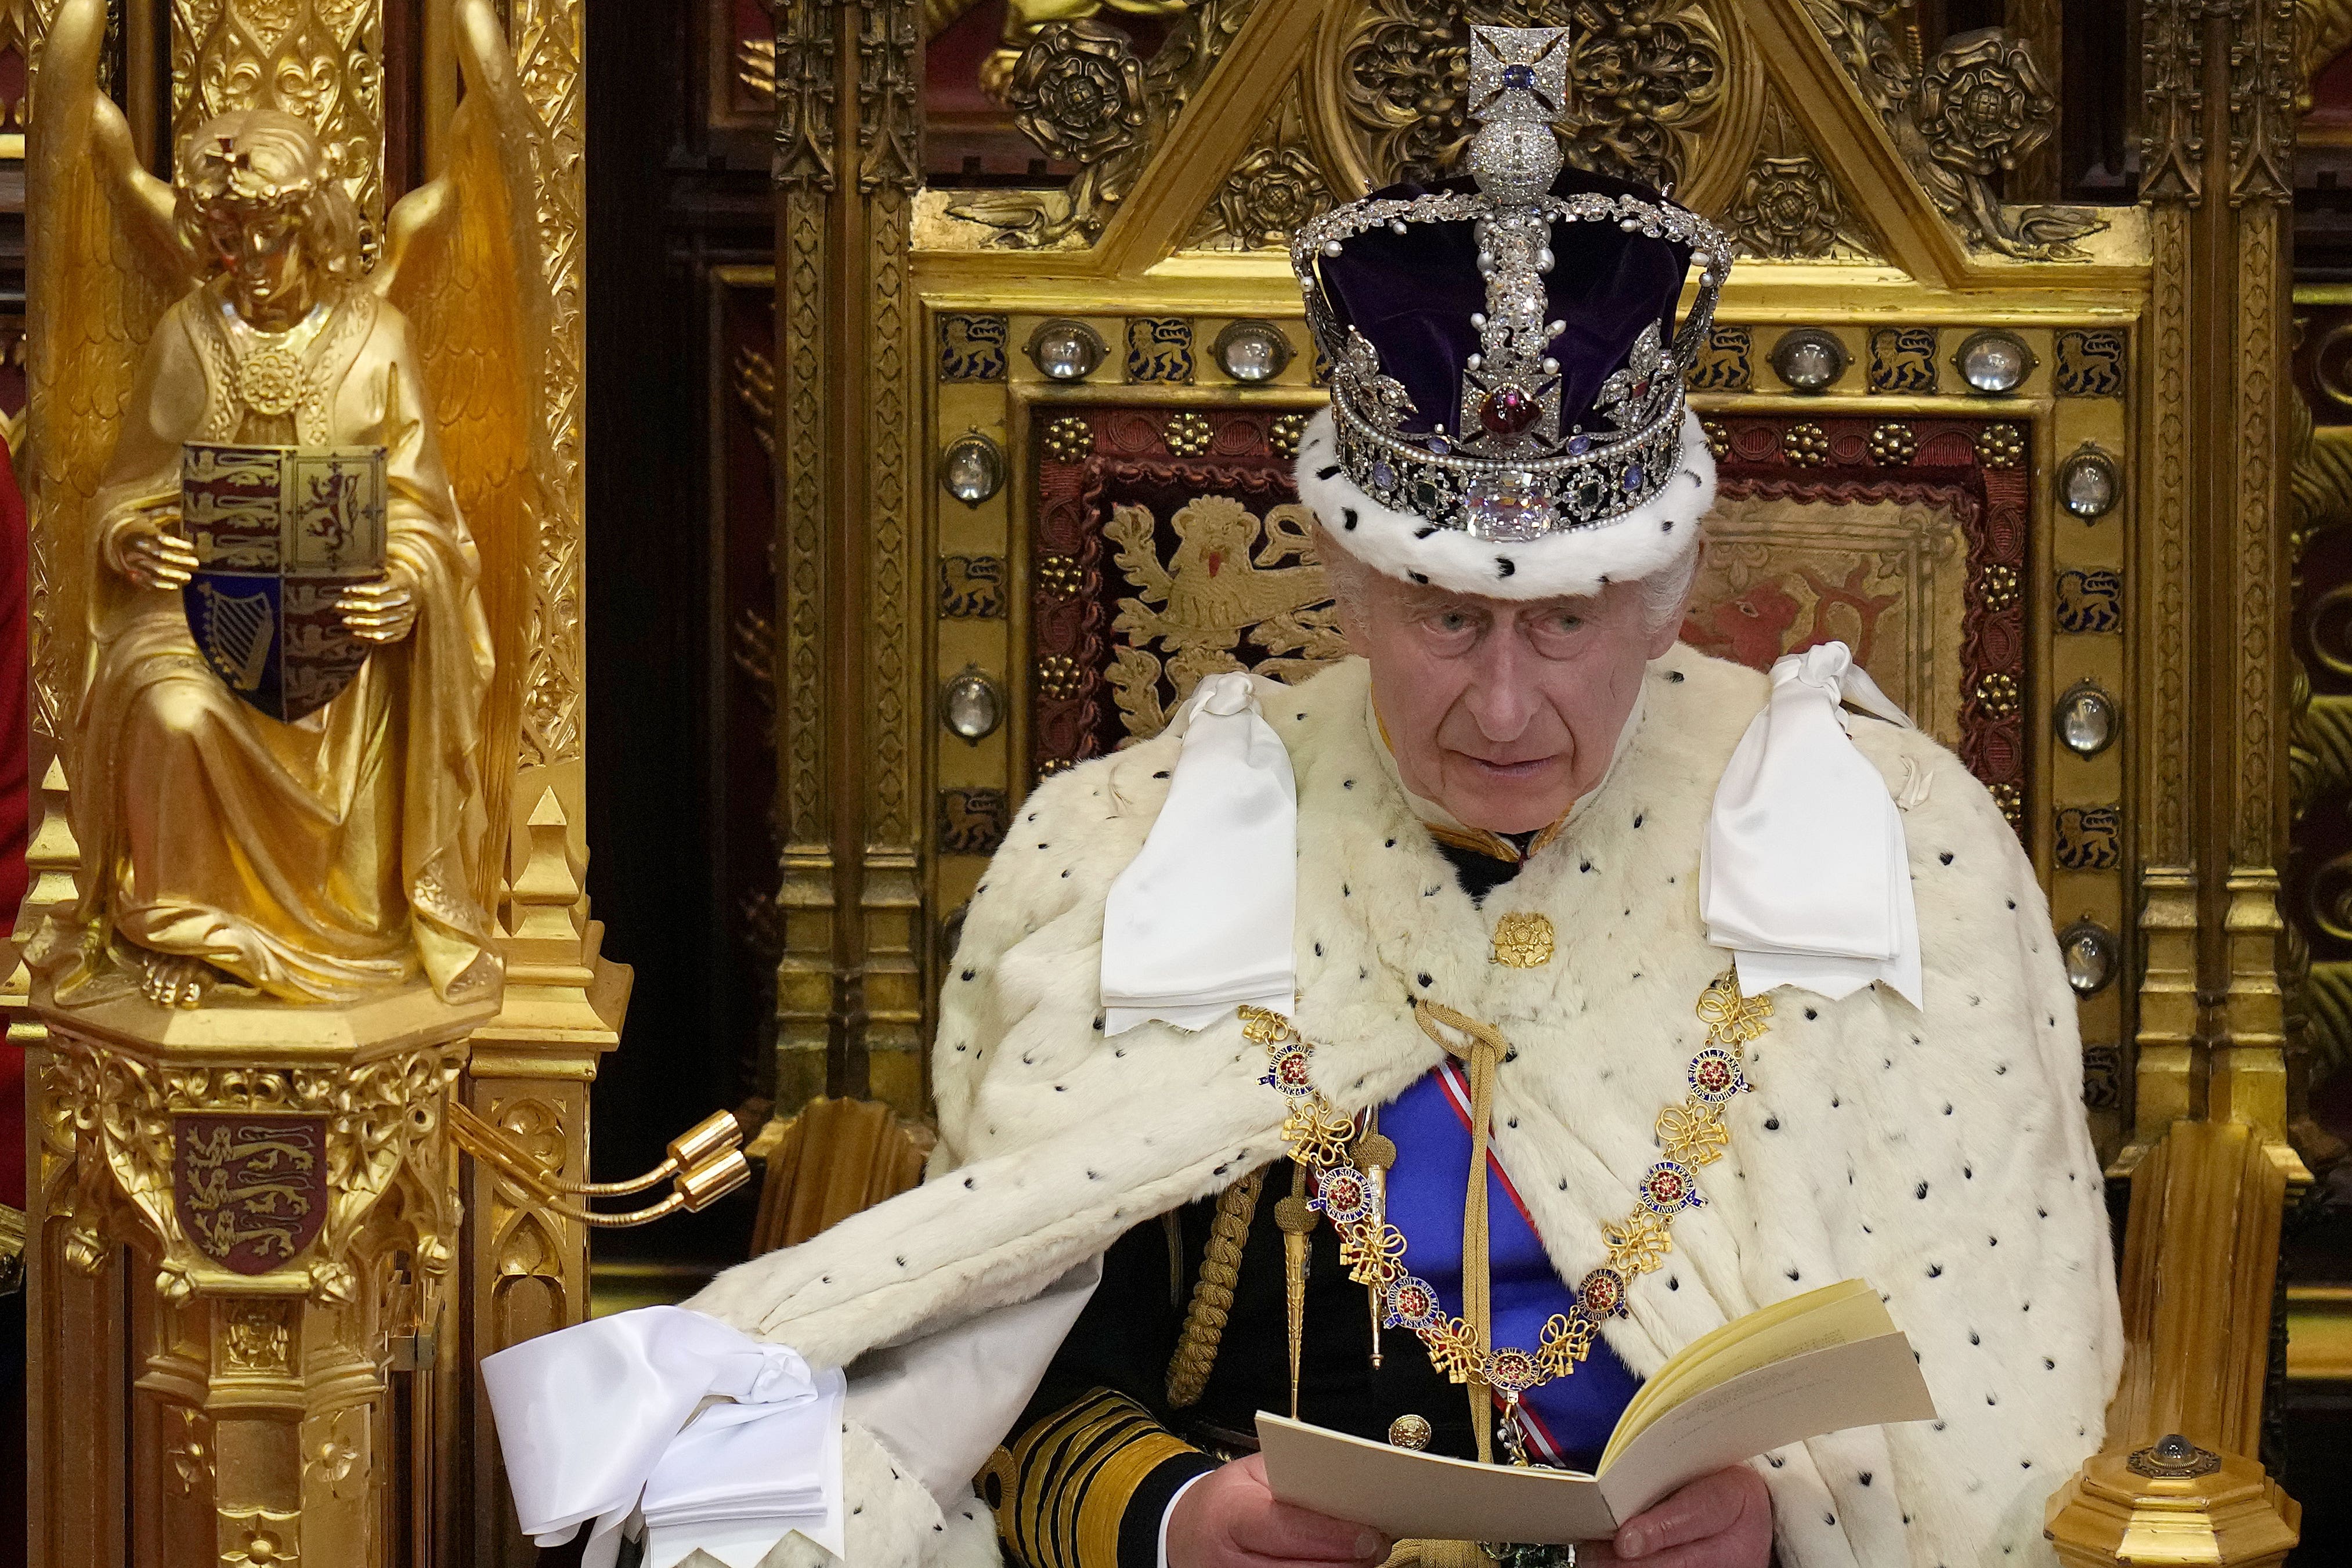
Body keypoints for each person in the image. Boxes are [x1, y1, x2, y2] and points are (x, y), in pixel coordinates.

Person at [485, 28, 2119, 1568]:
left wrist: (1781, 1518)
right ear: (1336, 575)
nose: (1497, 704)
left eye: (1561, 620)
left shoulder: (1884, 841)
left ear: (1666, 592)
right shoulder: (1138, 846)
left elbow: (1987, 1426)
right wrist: (1172, 1517)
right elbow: (1005, 1389)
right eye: (1440, 615)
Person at [36, 109, 499, 1009]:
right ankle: (186, 928)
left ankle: (366, 921)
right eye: (230, 239)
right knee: (168, 710)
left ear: (316, 227)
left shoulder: (380, 338)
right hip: (205, 617)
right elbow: (125, 493)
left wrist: (405, 583)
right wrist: (133, 541)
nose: (252, 260)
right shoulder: (186, 335)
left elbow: (427, 515)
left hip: (343, 634)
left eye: (272, 236)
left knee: (360, 683)